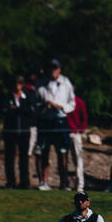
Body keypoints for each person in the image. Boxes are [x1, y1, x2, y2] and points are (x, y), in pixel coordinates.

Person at [37, 58, 75, 190]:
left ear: (59, 69)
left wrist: (61, 107)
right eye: (50, 68)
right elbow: (35, 103)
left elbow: (72, 103)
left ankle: (64, 182)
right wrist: (44, 105)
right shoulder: (41, 83)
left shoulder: (65, 82)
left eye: (55, 68)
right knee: (44, 151)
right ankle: (44, 182)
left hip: (60, 120)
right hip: (45, 120)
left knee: (62, 152)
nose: (53, 71)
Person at [2, 74, 38, 188]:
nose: (17, 86)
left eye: (19, 83)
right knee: (10, 157)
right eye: (15, 83)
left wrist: (17, 109)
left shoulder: (27, 96)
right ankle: (11, 181)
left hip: (24, 130)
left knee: (24, 157)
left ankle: (25, 181)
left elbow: (31, 111)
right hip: (10, 131)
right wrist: (18, 110)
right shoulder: (7, 96)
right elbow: (5, 110)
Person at [68, 93, 88, 191]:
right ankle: (64, 183)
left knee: (78, 159)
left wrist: (80, 129)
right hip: (63, 133)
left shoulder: (79, 102)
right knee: (62, 159)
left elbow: (84, 118)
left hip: (75, 134)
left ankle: (80, 185)